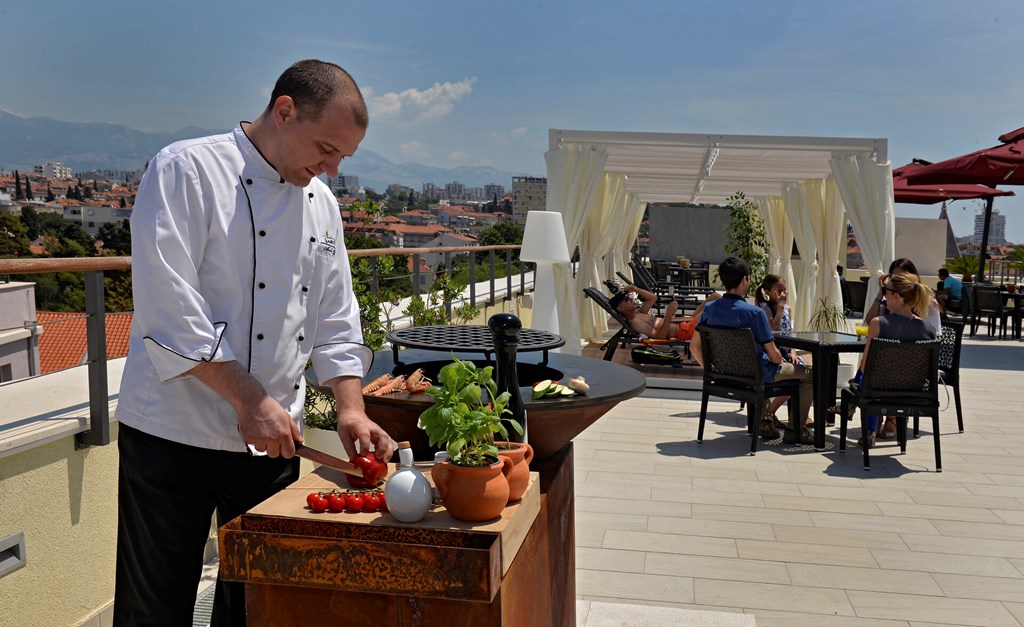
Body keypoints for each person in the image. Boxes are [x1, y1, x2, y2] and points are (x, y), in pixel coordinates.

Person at [114, 60, 395, 626]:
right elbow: (170, 310)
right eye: (325, 148)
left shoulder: (322, 205)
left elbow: (337, 317)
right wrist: (248, 399)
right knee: (157, 606)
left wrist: (351, 408)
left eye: (343, 157)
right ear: (284, 110)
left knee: (258, 605)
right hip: (173, 432)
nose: (332, 169)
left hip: (272, 442)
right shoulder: (187, 169)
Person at [689, 257, 814, 442]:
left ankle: (767, 416)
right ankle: (794, 429)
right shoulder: (754, 313)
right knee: (810, 375)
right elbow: (774, 356)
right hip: (756, 374)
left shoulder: (709, 309)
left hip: (725, 374)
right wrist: (781, 358)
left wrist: (712, 371)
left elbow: (694, 346)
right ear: (745, 280)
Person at [854, 273, 938, 448]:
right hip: (914, 391)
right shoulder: (928, 329)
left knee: (863, 379)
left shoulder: (878, 324)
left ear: (896, 296)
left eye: (886, 291)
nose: (884, 295)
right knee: (870, 380)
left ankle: (869, 430)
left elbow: (865, 366)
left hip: (878, 389)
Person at [754, 274, 806, 428]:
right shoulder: (765, 309)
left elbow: (789, 333)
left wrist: (793, 351)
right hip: (772, 355)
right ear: (769, 292)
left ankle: (792, 416)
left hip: (785, 352)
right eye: (779, 290)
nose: (783, 293)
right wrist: (780, 308)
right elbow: (771, 330)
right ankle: (770, 412)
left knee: (805, 369)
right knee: (802, 378)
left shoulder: (788, 309)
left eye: (785, 290)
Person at [610, 284, 720, 341]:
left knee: (715, 296)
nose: (631, 299)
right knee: (716, 305)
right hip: (686, 331)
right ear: (620, 308)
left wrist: (635, 289)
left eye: (629, 297)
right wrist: (669, 314)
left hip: (685, 321)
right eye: (626, 300)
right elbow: (660, 336)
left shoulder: (639, 313)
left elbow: (652, 298)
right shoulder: (635, 322)